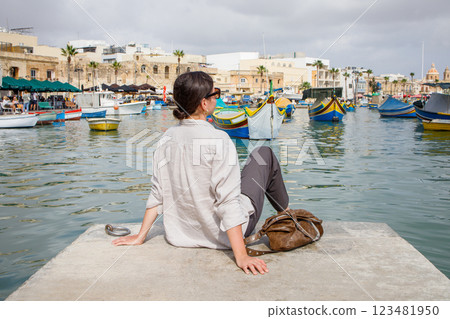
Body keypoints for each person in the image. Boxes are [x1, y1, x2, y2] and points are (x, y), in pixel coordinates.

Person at [113, 71, 290, 275]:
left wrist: (140, 236)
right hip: (223, 236)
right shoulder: (219, 140)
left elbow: (157, 193)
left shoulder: (165, 140)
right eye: (215, 94)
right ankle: (286, 215)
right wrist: (241, 255)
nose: (218, 97)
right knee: (263, 154)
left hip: (180, 236)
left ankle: (286, 215)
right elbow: (228, 202)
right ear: (204, 104)